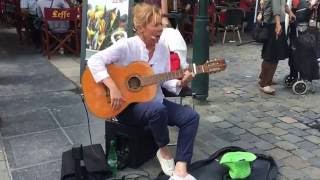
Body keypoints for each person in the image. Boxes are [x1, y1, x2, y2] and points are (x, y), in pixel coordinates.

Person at [87, 3, 199, 180]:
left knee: (191, 117)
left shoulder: (162, 48)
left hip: (155, 101)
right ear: (140, 28)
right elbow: (94, 61)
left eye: (161, 24)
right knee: (157, 110)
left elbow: (163, 78)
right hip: (126, 106)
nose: (161, 28)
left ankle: (181, 168)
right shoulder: (127, 46)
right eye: (155, 25)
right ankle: (163, 149)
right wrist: (113, 86)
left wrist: (180, 82)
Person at [257, 0, 294, 94]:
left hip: (275, 24)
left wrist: (290, 12)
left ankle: (264, 78)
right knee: (271, 55)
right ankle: (264, 83)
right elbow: (276, 9)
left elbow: (283, 4)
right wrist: (278, 25)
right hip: (273, 25)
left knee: (272, 53)